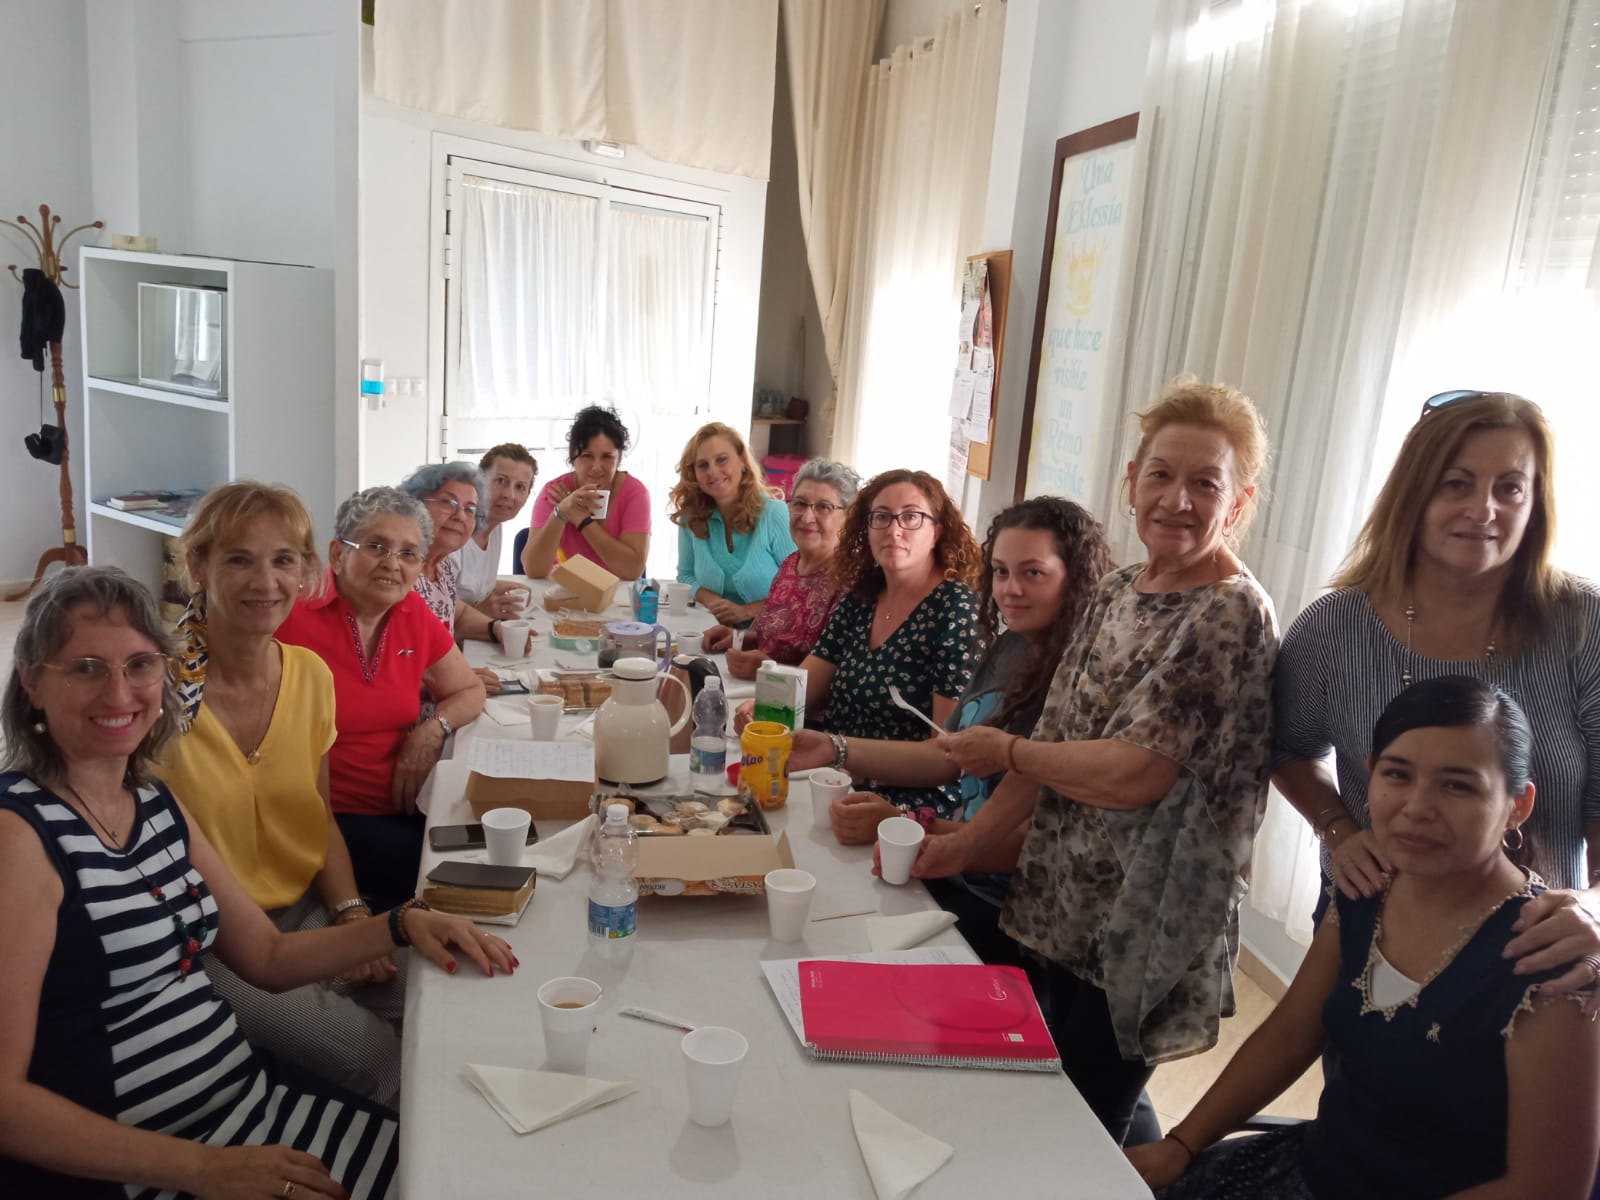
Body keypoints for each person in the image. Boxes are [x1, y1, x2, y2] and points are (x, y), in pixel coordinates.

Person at [0, 566, 515, 1199]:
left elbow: (268, 957)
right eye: (86, 668)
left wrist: (402, 923)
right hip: (152, 1169)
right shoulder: (19, 835)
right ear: (31, 682)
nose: (119, 692)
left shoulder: (152, 802)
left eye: (140, 665)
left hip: (248, 1114)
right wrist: (206, 1170)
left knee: (470, 1167)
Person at [912, 379, 1278, 1144]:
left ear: (1238, 503)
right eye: (1161, 475)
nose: (1177, 500)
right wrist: (966, 845)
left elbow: (1134, 775)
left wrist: (1006, 749)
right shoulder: (1115, 590)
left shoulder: (1229, 611)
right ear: (1132, 481)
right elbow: (1055, 740)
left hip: (1144, 925)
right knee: (1053, 1096)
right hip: (1064, 899)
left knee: (1081, 1129)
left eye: (1205, 483)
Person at [1130, 676, 1600, 1200]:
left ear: (1518, 804)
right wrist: (1181, 1143)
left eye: (1458, 786)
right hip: (1313, 1170)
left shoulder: (1548, 955)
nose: (1416, 807)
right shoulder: (1369, 887)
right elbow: (1290, 1034)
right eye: (1397, 774)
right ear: (1371, 773)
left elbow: (1548, 1186)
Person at [1273, 390, 1600, 991]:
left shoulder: (1584, 624)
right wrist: (1339, 830)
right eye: (1456, 484)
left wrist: (1596, 904)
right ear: (1414, 494)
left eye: (1510, 488)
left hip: (1536, 942)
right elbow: (1289, 750)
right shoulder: (1332, 628)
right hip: (1372, 921)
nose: (1484, 510)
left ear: (1536, 505)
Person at [153, 482, 405, 1106]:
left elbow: (320, 817)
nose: (265, 581)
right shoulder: (155, 692)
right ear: (198, 566)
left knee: (442, 1005)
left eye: (283, 560)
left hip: (307, 912)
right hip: (213, 943)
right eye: (239, 559)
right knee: (385, 1062)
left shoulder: (310, 677)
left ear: (305, 571)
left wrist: (350, 912)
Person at [789, 496, 1113, 967]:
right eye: (1000, 571)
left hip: (1013, 910)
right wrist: (834, 747)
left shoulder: (1085, 682)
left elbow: (1037, 841)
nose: (1011, 589)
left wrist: (906, 823)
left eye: (1033, 573)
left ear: (1076, 577)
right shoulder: (1011, 646)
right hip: (959, 872)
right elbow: (945, 756)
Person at [278, 487, 486, 910]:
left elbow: (469, 690)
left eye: (409, 553)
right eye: (376, 547)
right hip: (327, 818)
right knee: (450, 879)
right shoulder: (291, 616)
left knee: (498, 839)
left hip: (407, 804)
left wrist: (432, 729)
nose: (393, 563)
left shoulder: (412, 613)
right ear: (338, 554)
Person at [738, 469, 982, 816]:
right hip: (833, 777)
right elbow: (806, 687)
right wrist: (764, 709)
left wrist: (838, 749)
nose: (894, 530)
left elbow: (947, 757)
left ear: (937, 531)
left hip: (906, 804)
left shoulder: (956, 610)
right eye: (881, 517)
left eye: (911, 517)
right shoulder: (865, 594)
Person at [702, 458, 859, 678]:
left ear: (849, 517)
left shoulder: (850, 581)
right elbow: (770, 638)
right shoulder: (790, 564)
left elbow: (838, 677)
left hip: (794, 697)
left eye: (824, 507)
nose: (807, 517)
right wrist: (738, 638)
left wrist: (770, 671)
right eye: (800, 503)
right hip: (756, 687)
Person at [396, 461, 507, 694]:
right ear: (416, 506)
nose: (460, 516)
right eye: (449, 502)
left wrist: (494, 628)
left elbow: (455, 611)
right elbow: (383, 667)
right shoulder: (399, 573)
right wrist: (453, 680)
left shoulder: (442, 566)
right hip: (411, 710)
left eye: (470, 509)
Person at [670, 422, 796, 626]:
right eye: (702, 465)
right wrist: (715, 603)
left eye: (721, 460)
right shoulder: (690, 516)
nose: (712, 472)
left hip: (769, 634)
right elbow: (686, 576)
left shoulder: (774, 514)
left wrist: (746, 612)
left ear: (742, 460)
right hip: (712, 631)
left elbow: (799, 589)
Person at [522, 405, 650, 581]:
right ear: (573, 457)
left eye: (607, 457)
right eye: (587, 456)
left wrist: (581, 519)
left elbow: (632, 570)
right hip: (566, 589)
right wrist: (561, 513)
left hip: (616, 592)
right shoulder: (554, 491)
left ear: (619, 458)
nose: (596, 467)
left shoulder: (634, 493)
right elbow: (534, 569)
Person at [450, 443, 538, 620]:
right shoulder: (454, 532)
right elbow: (433, 615)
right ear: (478, 482)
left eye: (520, 487)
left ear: (528, 495)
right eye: (501, 481)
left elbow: (467, 587)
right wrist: (481, 611)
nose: (509, 495)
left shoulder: (496, 526)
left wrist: (496, 587)